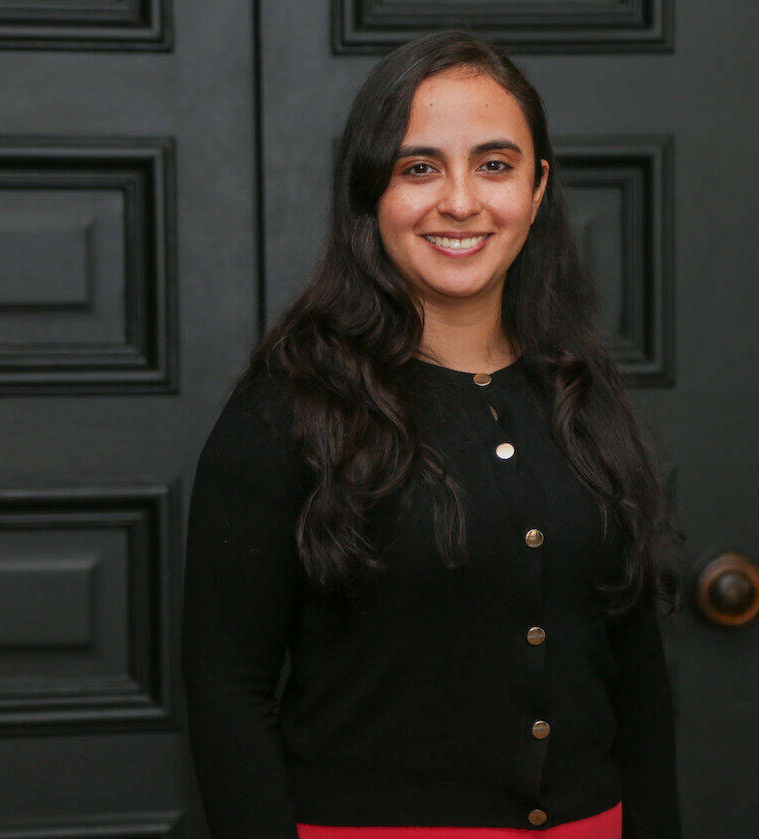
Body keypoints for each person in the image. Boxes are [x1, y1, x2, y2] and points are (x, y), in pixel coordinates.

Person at [180, 27, 686, 839]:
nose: (460, 201)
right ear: (370, 191)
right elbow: (226, 691)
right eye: (419, 167)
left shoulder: (582, 396)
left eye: (495, 165)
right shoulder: (287, 410)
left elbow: (639, 684)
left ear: (538, 187)